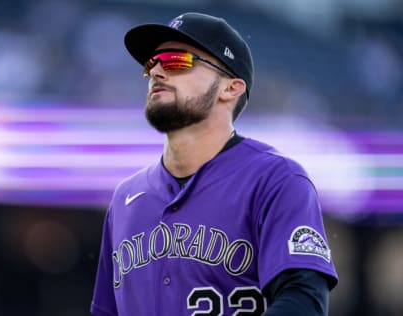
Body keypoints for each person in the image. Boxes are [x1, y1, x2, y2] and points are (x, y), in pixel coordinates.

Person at [91, 12, 338, 316]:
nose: (157, 71)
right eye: (151, 64)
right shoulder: (125, 198)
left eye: (175, 60)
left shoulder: (276, 180)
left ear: (230, 88)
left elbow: (305, 304)